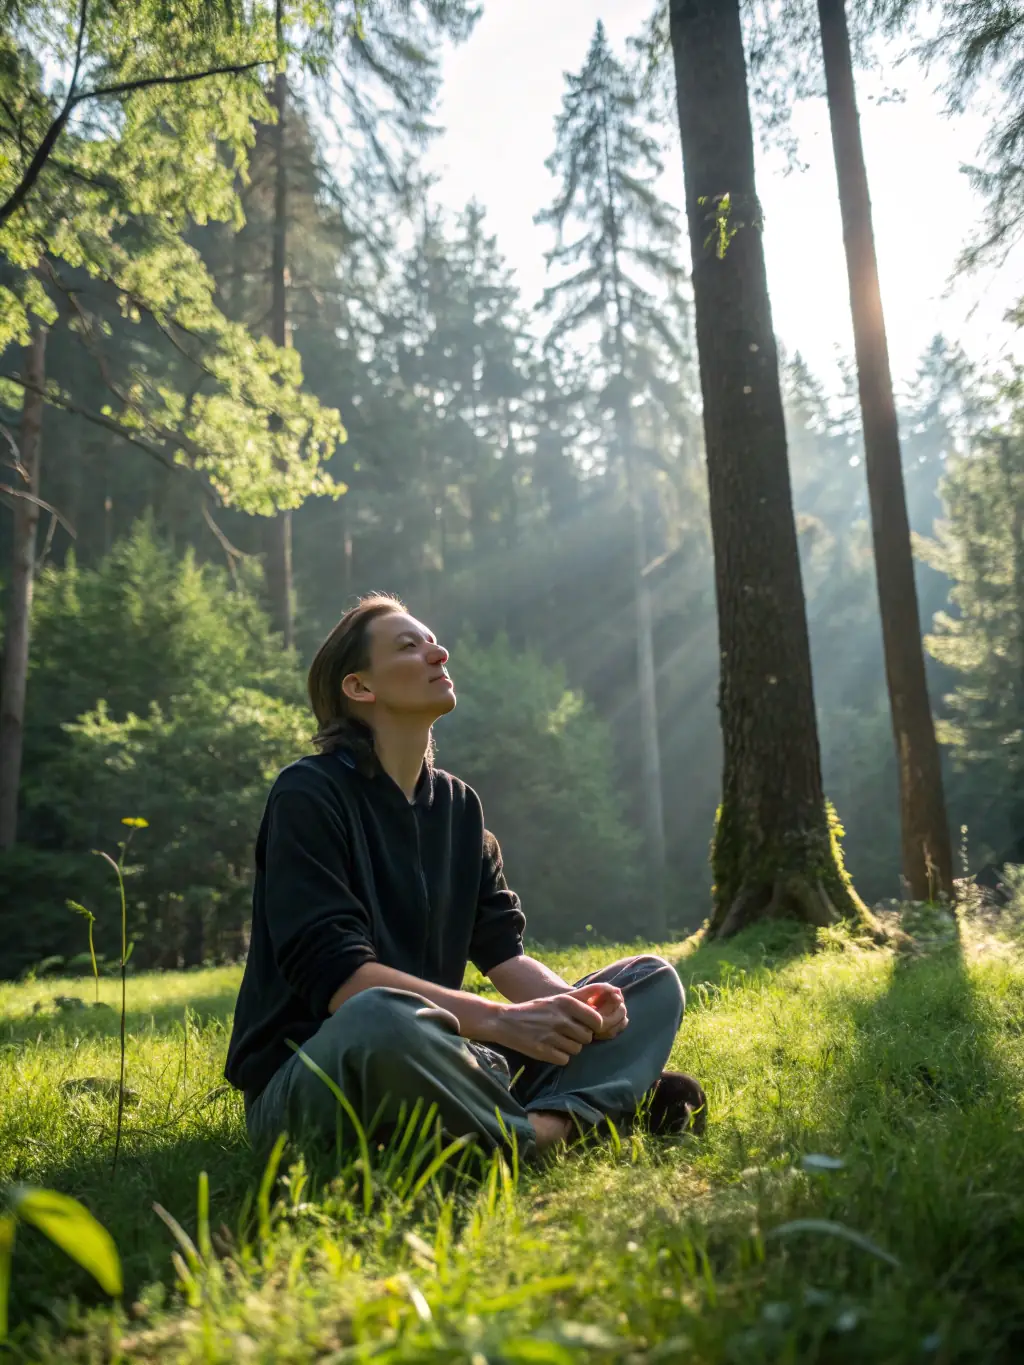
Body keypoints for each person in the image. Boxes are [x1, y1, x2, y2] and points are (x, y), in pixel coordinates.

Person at [225, 594, 706, 1161]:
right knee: (381, 1014)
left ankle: (512, 1119)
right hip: (323, 1074)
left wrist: (575, 1008)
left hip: (443, 1049)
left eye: (433, 641)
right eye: (410, 645)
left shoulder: (457, 806)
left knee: (650, 980)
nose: (439, 653)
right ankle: (556, 1126)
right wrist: (502, 1022)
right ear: (359, 688)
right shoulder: (309, 794)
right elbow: (342, 980)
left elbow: (504, 954)